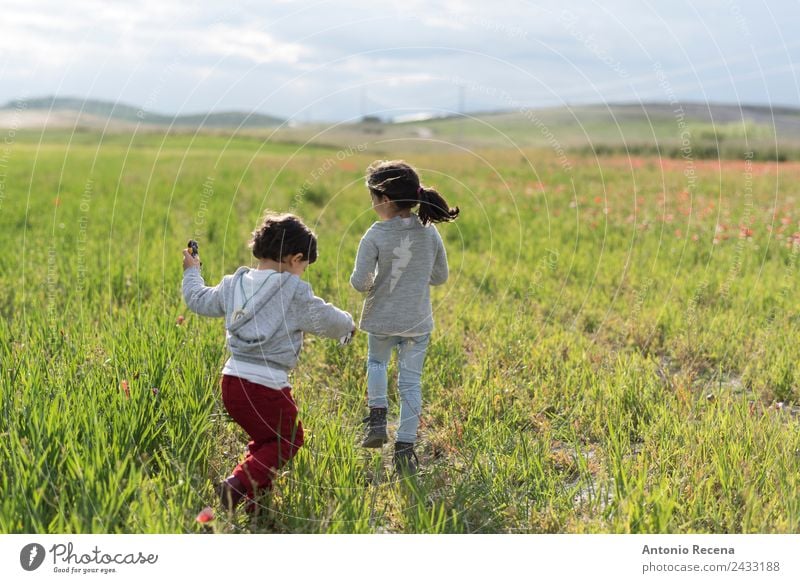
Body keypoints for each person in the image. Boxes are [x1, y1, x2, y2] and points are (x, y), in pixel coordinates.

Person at [182, 212, 355, 510]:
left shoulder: (233, 285)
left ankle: (254, 499)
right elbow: (328, 319)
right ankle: (236, 486)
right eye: (304, 267)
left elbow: (197, 299)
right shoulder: (294, 291)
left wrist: (192, 271)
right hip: (267, 388)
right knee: (288, 439)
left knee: (266, 440)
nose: (303, 273)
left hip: (231, 384)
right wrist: (349, 325)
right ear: (295, 258)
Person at [350, 160, 459, 475]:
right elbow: (440, 277)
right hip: (417, 322)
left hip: (382, 320)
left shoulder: (375, 234)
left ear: (383, 199)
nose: (372, 206)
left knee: (377, 364)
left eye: (372, 199)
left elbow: (360, 282)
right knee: (411, 383)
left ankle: (378, 419)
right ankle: (405, 449)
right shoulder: (429, 231)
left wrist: (373, 284)